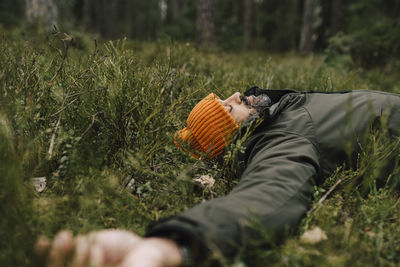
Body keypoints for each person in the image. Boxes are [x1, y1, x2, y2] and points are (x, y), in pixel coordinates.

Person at [37, 87, 400, 267]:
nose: (236, 95)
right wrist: (173, 245)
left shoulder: (279, 115)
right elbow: (268, 197)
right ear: (231, 134)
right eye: (228, 108)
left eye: (228, 99)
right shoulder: (281, 138)